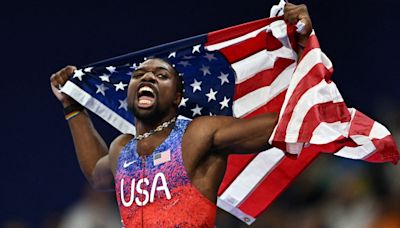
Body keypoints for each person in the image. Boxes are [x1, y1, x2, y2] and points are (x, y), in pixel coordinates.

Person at [50, 3, 312, 227]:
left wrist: (302, 51)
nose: (148, 76)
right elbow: (98, 175)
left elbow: (282, 123)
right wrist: (73, 107)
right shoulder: (123, 147)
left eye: (161, 75)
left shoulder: (197, 134)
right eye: (139, 75)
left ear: (177, 97)